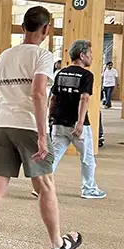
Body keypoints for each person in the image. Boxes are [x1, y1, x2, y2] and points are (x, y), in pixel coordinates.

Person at [0, 6, 82, 249]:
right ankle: (58, 244)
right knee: (45, 187)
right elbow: (38, 93)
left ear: (23, 28)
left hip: (1, 127)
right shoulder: (43, 56)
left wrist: (5, 110)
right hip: (29, 128)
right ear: (46, 30)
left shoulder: (5, 55)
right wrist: (43, 134)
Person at [50, 40, 106, 199]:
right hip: (77, 123)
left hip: (59, 120)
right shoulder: (87, 75)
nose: (92, 58)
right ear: (82, 55)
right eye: (90, 54)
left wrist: (50, 117)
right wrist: (80, 122)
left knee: (54, 155)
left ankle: (42, 186)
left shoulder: (60, 73)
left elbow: (53, 98)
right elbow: (84, 99)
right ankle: (89, 189)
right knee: (87, 158)